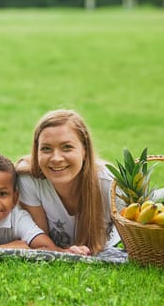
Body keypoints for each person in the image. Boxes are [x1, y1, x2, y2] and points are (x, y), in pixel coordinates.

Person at [16, 109, 120, 255]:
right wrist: (64, 252)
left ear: (84, 150)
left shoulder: (110, 185)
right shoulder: (29, 180)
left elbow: (138, 243)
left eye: (67, 147)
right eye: (46, 149)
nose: (56, 158)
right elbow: (41, 242)